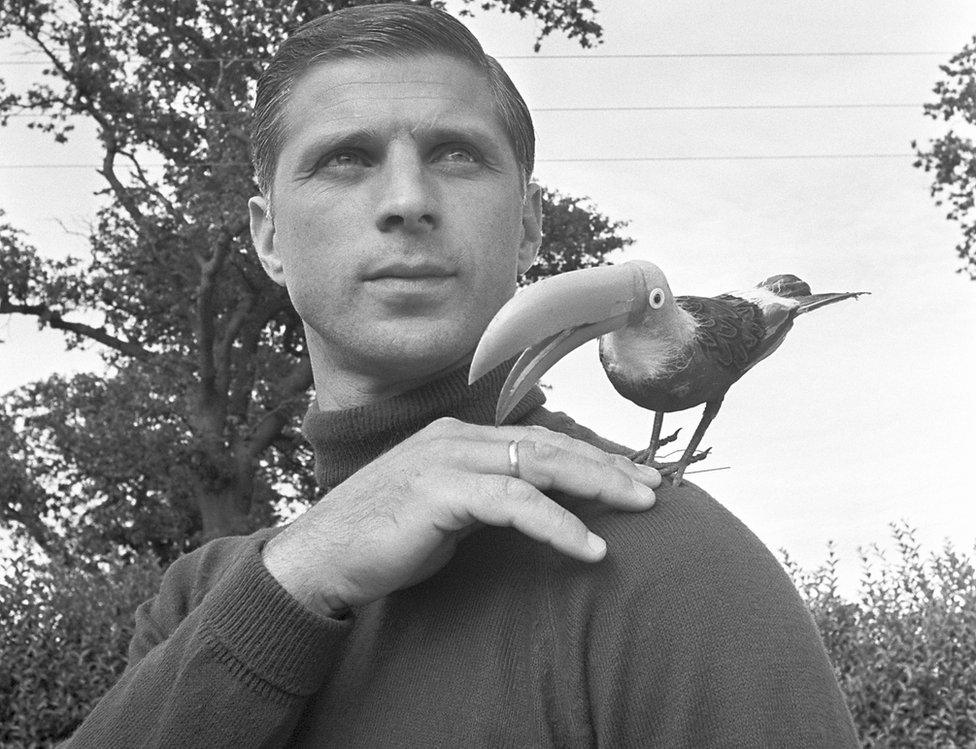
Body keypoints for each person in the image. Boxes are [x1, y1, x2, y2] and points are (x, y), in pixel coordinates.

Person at [65, 3, 858, 746]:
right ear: (269, 239)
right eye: (346, 159)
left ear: (528, 227)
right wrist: (298, 576)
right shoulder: (199, 600)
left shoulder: (672, 564)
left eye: (456, 154)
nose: (408, 200)